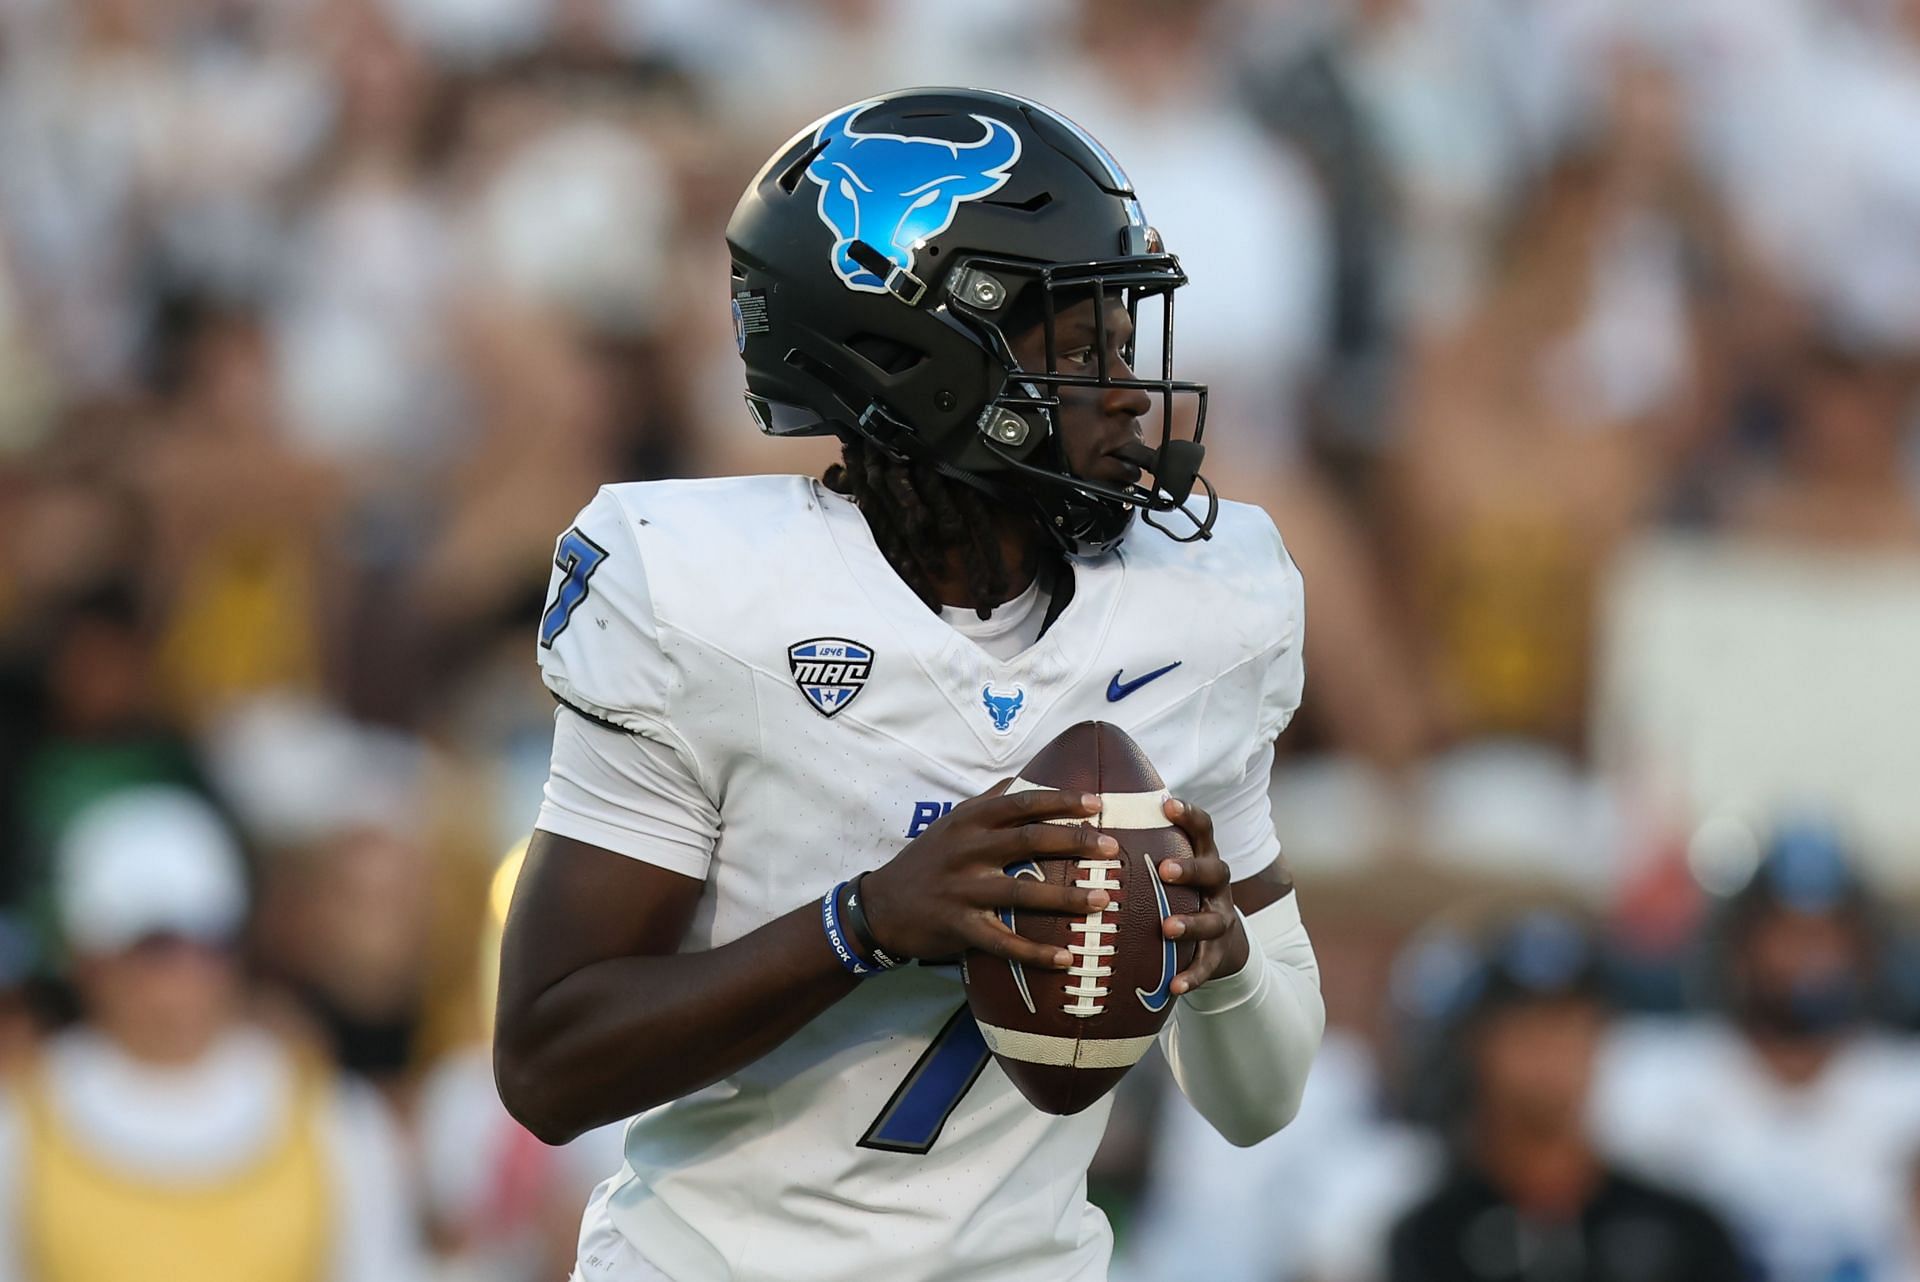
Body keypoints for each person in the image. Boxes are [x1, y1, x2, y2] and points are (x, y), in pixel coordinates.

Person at [493, 88, 1326, 1282]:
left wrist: (1221, 954)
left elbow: (1263, 1098)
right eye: (1080, 348)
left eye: (1124, 343)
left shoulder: (1202, 612)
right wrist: (866, 922)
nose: (1129, 391)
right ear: (917, 360)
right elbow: (549, 1061)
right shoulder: (705, 600)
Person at [0, 785, 425, 1282]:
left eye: (207, 941)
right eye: (155, 947)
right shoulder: (18, 1128)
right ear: (89, 961)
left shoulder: (338, 1121)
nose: (183, 973)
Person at [1594, 822, 1920, 1282]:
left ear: (1865, 950)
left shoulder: (1907, 1085)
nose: (1808, 956)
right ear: (1738, 946)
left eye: (1827, 934)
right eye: (1785, 932)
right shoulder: (1650, 1074)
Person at [1389, 911, 1744, 1282]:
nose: (1553, 1053)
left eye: (1573, 1026)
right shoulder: (1429, 1238)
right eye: (1528, 1029)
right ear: (1478, 1047)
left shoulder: (1685, 1231)